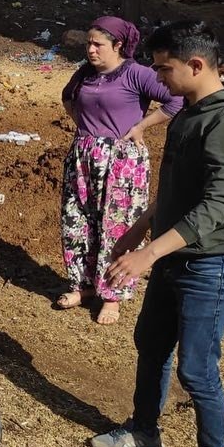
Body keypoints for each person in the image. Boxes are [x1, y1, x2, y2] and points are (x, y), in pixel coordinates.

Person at [90, 21, 224, 447]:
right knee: (151, 343)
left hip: (211, 263)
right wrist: (142, 226)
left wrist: (148, 253)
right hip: (174, 254)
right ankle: (145, 430)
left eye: (165, 69)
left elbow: (221, 204)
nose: (159, 80)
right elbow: (179, 191)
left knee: (197, 368)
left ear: (196, 65)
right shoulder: (191, 112)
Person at [57, 16, 183, 324]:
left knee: (118, 226)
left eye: (98, 44)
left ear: (118, 45)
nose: (91, 50)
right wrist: (85, 129)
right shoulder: (85, 73)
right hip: (84, 157)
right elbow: (67, 98)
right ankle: (84, 285)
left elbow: (175, 100)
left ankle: (113, 296)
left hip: (122, 161)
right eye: (88, 43)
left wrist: (142, 126)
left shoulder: (136, 74)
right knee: (78, 222)